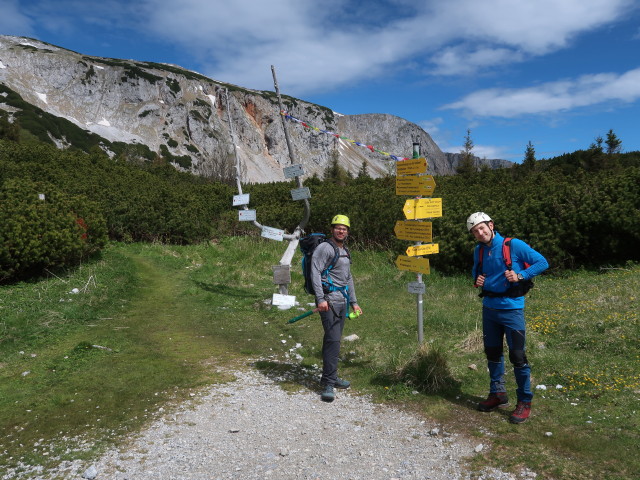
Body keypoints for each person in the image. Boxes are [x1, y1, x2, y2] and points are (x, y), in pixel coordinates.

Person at [466, 212, 548, 423]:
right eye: (475, 231)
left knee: (518, 357)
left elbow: (542, 262)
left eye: (482, 228)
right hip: (489, 309)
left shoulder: (514, 245)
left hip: (512, 309)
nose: (480, 233)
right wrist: (478, 280)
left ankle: (524, 402)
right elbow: (475, 275)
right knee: (492, 353)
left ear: (491, 225)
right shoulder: (479, 250)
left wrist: (521, 275)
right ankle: (498, 394)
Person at [311, 214, 363, 402]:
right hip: (329, 302)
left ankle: (329, 377)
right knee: (334, 342)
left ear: (348, 231)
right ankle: (329, 384)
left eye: (345, 228)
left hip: (342, 301)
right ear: (332, 229)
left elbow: (348, 278)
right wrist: (320, 299)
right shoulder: (324, 248)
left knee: (333, 341)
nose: (341, 230)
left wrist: (354, 302)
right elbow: (315, 272)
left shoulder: (345, 250)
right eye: (338, 227)